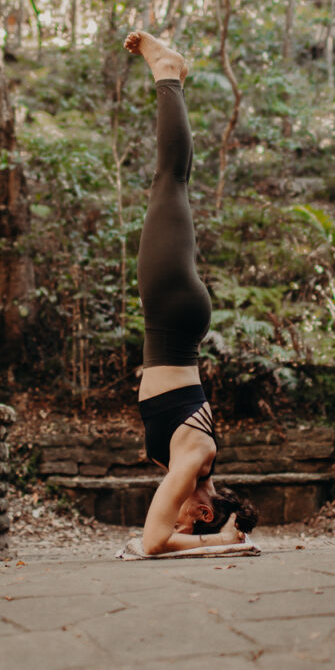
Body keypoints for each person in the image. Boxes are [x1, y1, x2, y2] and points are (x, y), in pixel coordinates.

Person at [124, 29, 258, 554]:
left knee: (170, 184)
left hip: (171, 318)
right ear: (203, 510)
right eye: (190, 523)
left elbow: (158, 539)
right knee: (169, 180)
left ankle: (171, 77)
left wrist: (226, 539)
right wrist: (224, 545)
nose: (178, 522)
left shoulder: (196, 458)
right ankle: (166, 71)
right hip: (172, 315)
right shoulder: (194, 457)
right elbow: (153, 544)